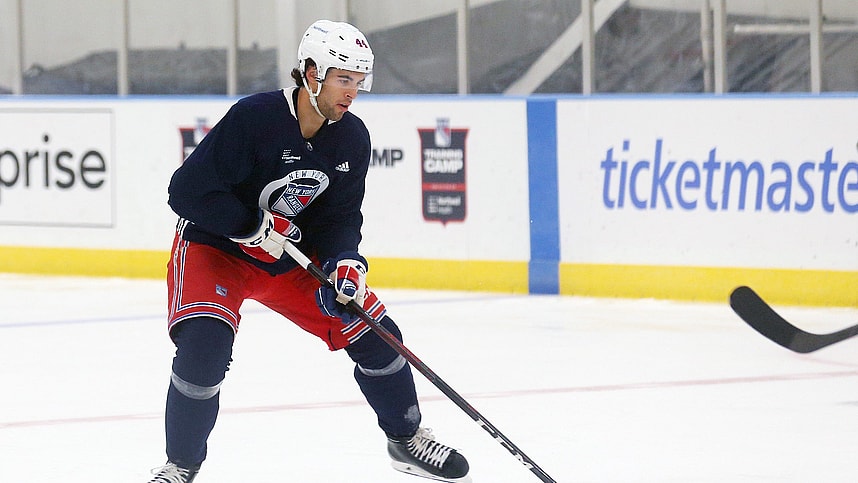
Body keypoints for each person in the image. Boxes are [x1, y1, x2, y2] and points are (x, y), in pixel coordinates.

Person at [146, 20, 470, 483]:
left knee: (377, 332)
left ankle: (406, 440)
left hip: (287, 257)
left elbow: (339, 217)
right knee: (205, 348)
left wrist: (345, 263)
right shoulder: (254, 118)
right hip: (216, 249)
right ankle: (179, 466)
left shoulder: (352, 139)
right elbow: (186, 192)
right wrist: (248, 225)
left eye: (359, 82)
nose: (352, 92)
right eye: (344, 79)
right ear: (312, 72)